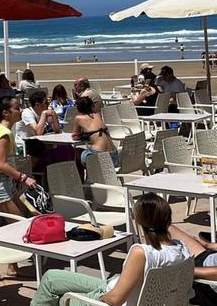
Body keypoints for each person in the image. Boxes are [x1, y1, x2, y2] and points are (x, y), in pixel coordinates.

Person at [32, 193, 191, 306]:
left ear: (139, 221)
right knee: (51, 277)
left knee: (58, 298)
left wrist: (88, 298)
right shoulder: (181, 248)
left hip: (110, 297)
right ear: (169, 220)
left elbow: (115, 300)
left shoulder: (141, 253)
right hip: (115, 286)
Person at [0, 97, 38, 214]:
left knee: (18, 222)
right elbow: (0, 164)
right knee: (19, 225)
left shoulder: (1, 129)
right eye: (17, 108)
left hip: (3, 183)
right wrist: (23, 178)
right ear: (6, 113)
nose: (21, 111)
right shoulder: (4, 133)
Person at [16, 90, 69, 172]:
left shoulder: (44, 111)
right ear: (37, 104)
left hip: (39, 142)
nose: (48, 104)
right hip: (26, 144)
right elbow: (38, 132)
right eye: (46, 102)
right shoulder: (27, 113)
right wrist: (44, 114)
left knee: (66, 149)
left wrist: (53, 114)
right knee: (54, 152)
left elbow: (57, 129)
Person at [168, 224, 217, 304]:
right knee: (158, 221)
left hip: (207, 281)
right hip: (208, 260)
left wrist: (186, 270)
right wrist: (209, 245)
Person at [73, 96, 119, 167]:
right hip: (114, 156)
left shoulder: (79, 118)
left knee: (77, 152)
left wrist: (82, 135)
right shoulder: (98, 115)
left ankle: (84, 177)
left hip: (99, 157)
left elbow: (75, 136)